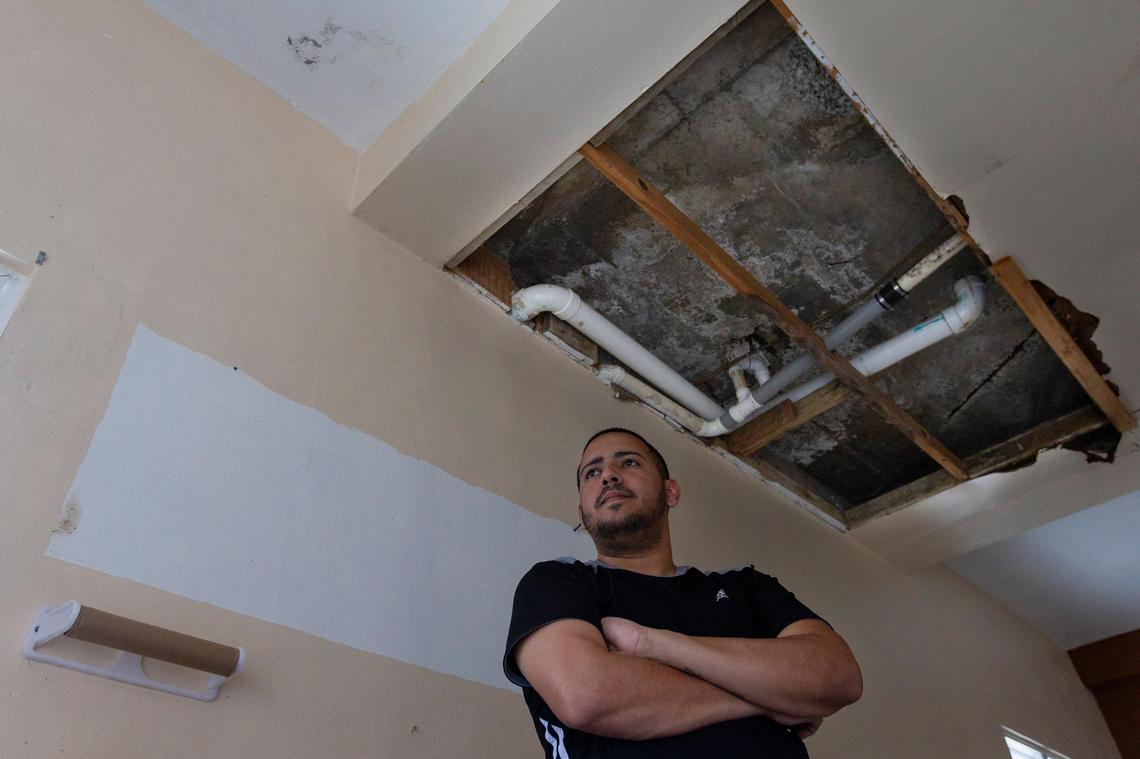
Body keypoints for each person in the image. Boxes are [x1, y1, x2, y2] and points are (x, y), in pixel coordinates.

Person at [503, 428, 862, 757]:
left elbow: (839, 677)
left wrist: (653, 645)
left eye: (628, 462)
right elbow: (587, 696)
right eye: (592, 473)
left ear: (670, 491)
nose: (609, 475)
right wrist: (771, 698)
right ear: (581, 513)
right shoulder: (557, 582)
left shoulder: (745, 587)